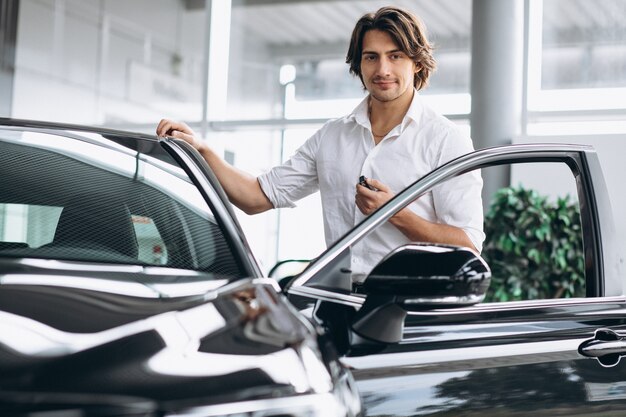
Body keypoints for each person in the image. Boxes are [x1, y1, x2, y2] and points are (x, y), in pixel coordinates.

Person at [156, 6, 484, 282]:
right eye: (371, 57)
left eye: (395, 56)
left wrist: (394, 212)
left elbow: (467, 245)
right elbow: (257, 197)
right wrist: (203, 151)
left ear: (416, 63)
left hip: (414, 307)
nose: (382, 69)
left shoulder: (446, 140)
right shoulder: (333, 136)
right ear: (359, 65)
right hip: (337, 302)